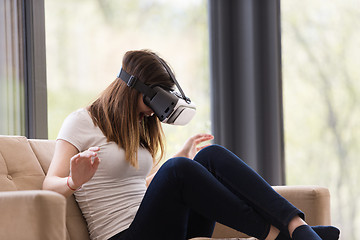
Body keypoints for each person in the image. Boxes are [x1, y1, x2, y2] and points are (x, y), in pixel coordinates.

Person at [43, 49, 340, 240]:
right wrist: (72, 180)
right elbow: (48, 187)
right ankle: (284, 237)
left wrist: (182, 159)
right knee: (177, 170)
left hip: (163, 228)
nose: (154, 112)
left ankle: (295, 226)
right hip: (122, 235)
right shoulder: (81, 121)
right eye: (154, 99)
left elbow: (136, 189)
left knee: (209, 155)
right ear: (136, 89)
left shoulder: (135, 125)